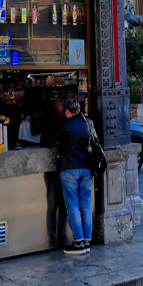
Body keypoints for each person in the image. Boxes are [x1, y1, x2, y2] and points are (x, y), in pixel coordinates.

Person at [55, 98, 95, 255]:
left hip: (70, 168)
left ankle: (78, 243)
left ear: (66, 111)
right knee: (85, 205)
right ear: (78, 110)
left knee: (72, 206)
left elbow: (49, 140)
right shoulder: (89, 123)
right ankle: (87, 240)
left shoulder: (65, 124)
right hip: (87, 169)